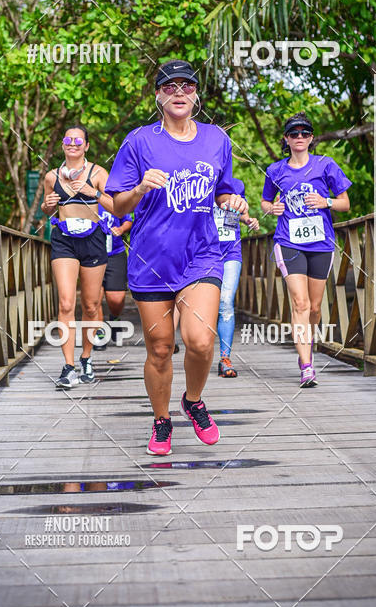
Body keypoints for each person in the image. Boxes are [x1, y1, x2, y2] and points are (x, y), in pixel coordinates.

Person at [105, 59, 248, 456]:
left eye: (187, 86)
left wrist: (232, 198)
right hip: (152, 260)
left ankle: (194, 400)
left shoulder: (217, 140)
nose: (179, 93)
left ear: (196, 95)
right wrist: (138, 191)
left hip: (201, 255)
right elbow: (117, 206)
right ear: (158, 95)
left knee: (200, 341)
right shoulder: (138, 142)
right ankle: (162, 420)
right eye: (170, 87)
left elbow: (223, 189)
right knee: (161, 349)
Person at [261, 111, 352, 387]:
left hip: (320, 243)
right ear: (286, 139)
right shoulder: (276, 170)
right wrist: (272, 208)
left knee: (314, 307)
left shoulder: (326, 165)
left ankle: (306, 349)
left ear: (311, 138)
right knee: (299, 302)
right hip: (289, 242)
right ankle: (307, 365)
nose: (299, 137)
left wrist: (326, 202)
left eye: (304, 133)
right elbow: (265, 202)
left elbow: (344, 203)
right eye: (293, 133)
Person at [41, 125, 115, 389]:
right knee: (65, 303)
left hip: (93, 240)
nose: (72, 143)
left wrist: (91, 192)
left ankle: (86, 358)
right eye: (68, 139)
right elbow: (47, 211)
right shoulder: (51, 176)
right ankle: (68, 366)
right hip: (63, 241)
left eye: (78, 140)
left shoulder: (98, 172)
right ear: (63, 144)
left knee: (92, 305)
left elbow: (115, 205)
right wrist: (47, 207)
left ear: (86, 146)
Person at [212, 176, 260, 377]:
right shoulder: (194, 178)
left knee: (225, 302)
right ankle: (199, 353)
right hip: (202, 251)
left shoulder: (236, 184)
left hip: (230, 250)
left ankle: (225, 358)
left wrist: (248, 220)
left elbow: (242, 213)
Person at [94, 205, 133, 348]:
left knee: (116, 299)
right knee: (94, 297)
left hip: (115, 253)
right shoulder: (85, 198)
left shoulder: (114, 197)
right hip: (92, 254)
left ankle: (114, 318)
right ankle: (99, 332)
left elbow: (128, 220)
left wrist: (121, 229)